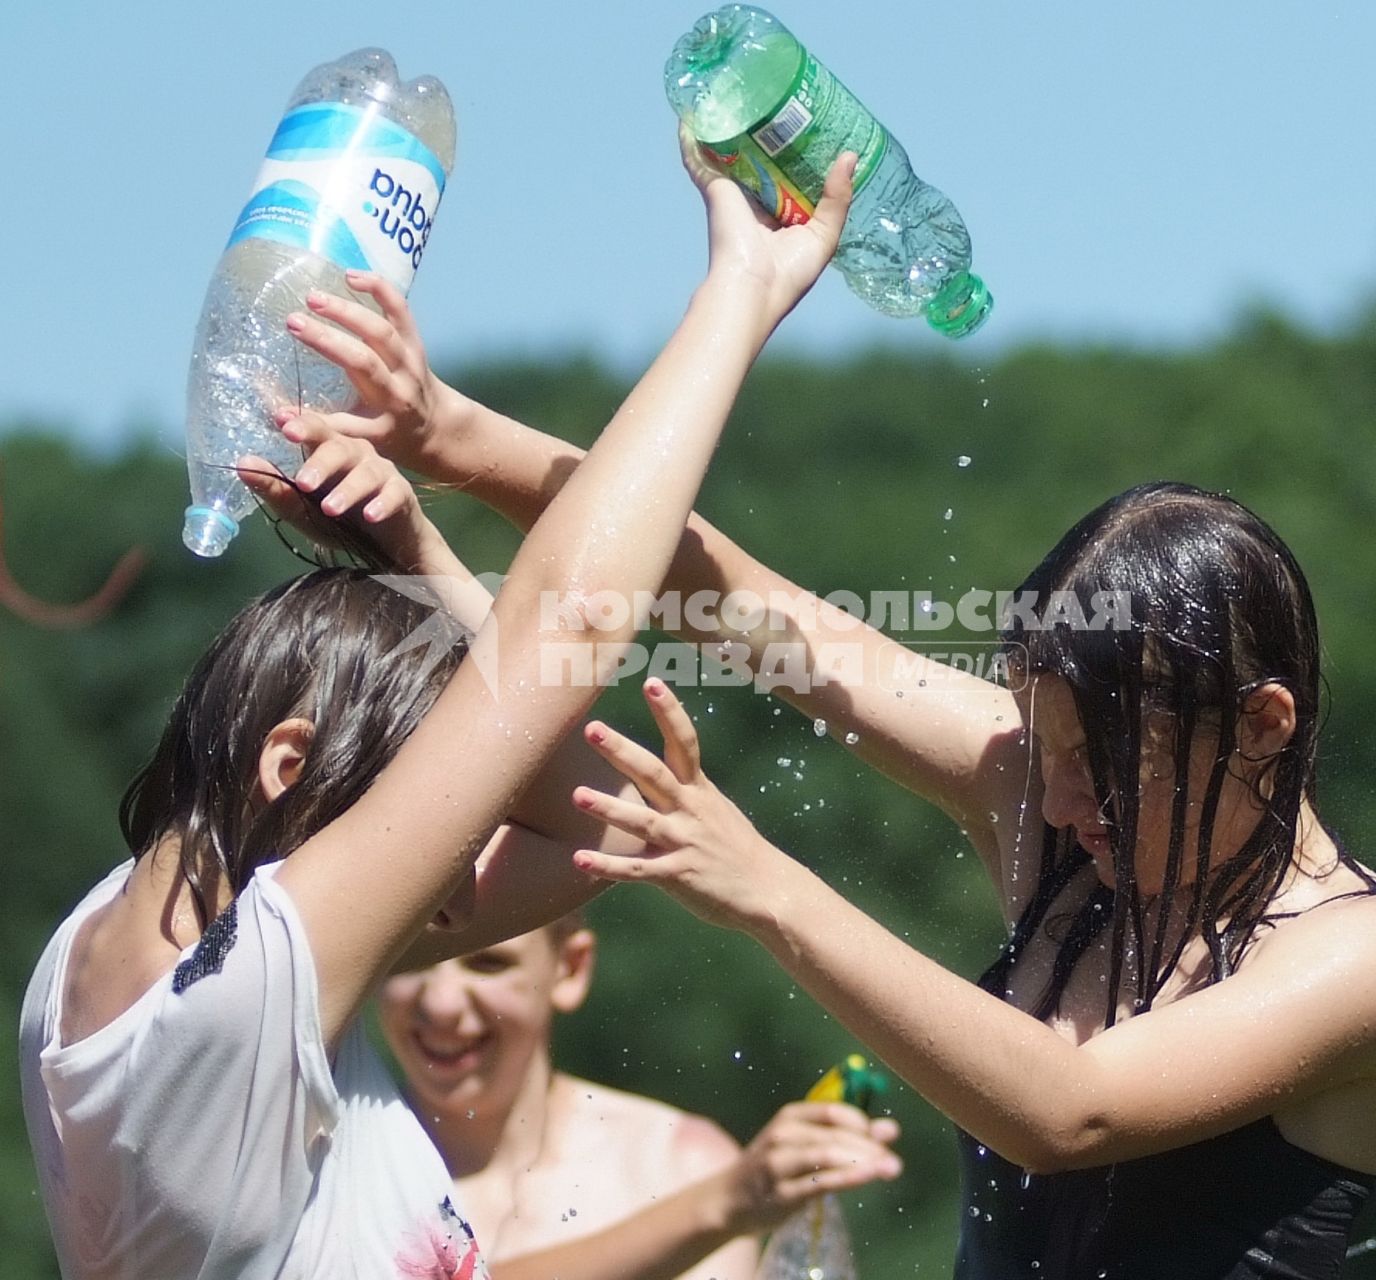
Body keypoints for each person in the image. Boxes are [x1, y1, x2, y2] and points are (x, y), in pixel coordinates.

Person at [284, 170, 1376, 1278]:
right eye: (1045, 755)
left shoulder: (1367, 953)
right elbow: (742, 602)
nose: (1068, 800)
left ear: (1261, 722)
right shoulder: (1047, 808)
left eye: (1104, 769)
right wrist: (450, 438)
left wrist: (768, 885)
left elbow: (1068, 1108)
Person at [18, 150, 859, 1280]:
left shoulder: (105, 952)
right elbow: (574, 653)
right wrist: (739, 293)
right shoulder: (255, 993)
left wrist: (413, 559)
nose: (461, 857)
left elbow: (617, 818)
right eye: (439, 805)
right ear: (289, 765)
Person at [378, 917, 902, 1280]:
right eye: (411, 955)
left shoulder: (677, 1164)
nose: (441, 1002)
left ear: (570, 967)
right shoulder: (324, 1159)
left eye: (488, 963)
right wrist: (722, 1205)